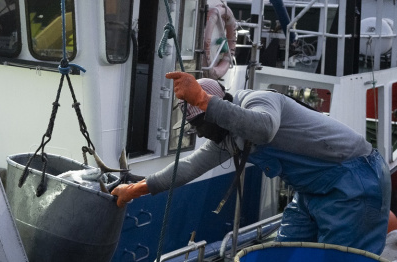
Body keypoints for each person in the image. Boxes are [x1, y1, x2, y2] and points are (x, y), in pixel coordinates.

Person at [111, 71, 391, 255]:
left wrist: (203, 100)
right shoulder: (228, 137)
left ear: (219, 107)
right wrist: (135, 189)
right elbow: (187, 168)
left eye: (202, 123)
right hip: (313, 192)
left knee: (340, 258)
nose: (202, 133)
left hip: (354, 180)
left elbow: (265, 129)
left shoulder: (260, 100)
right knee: (283, 251)